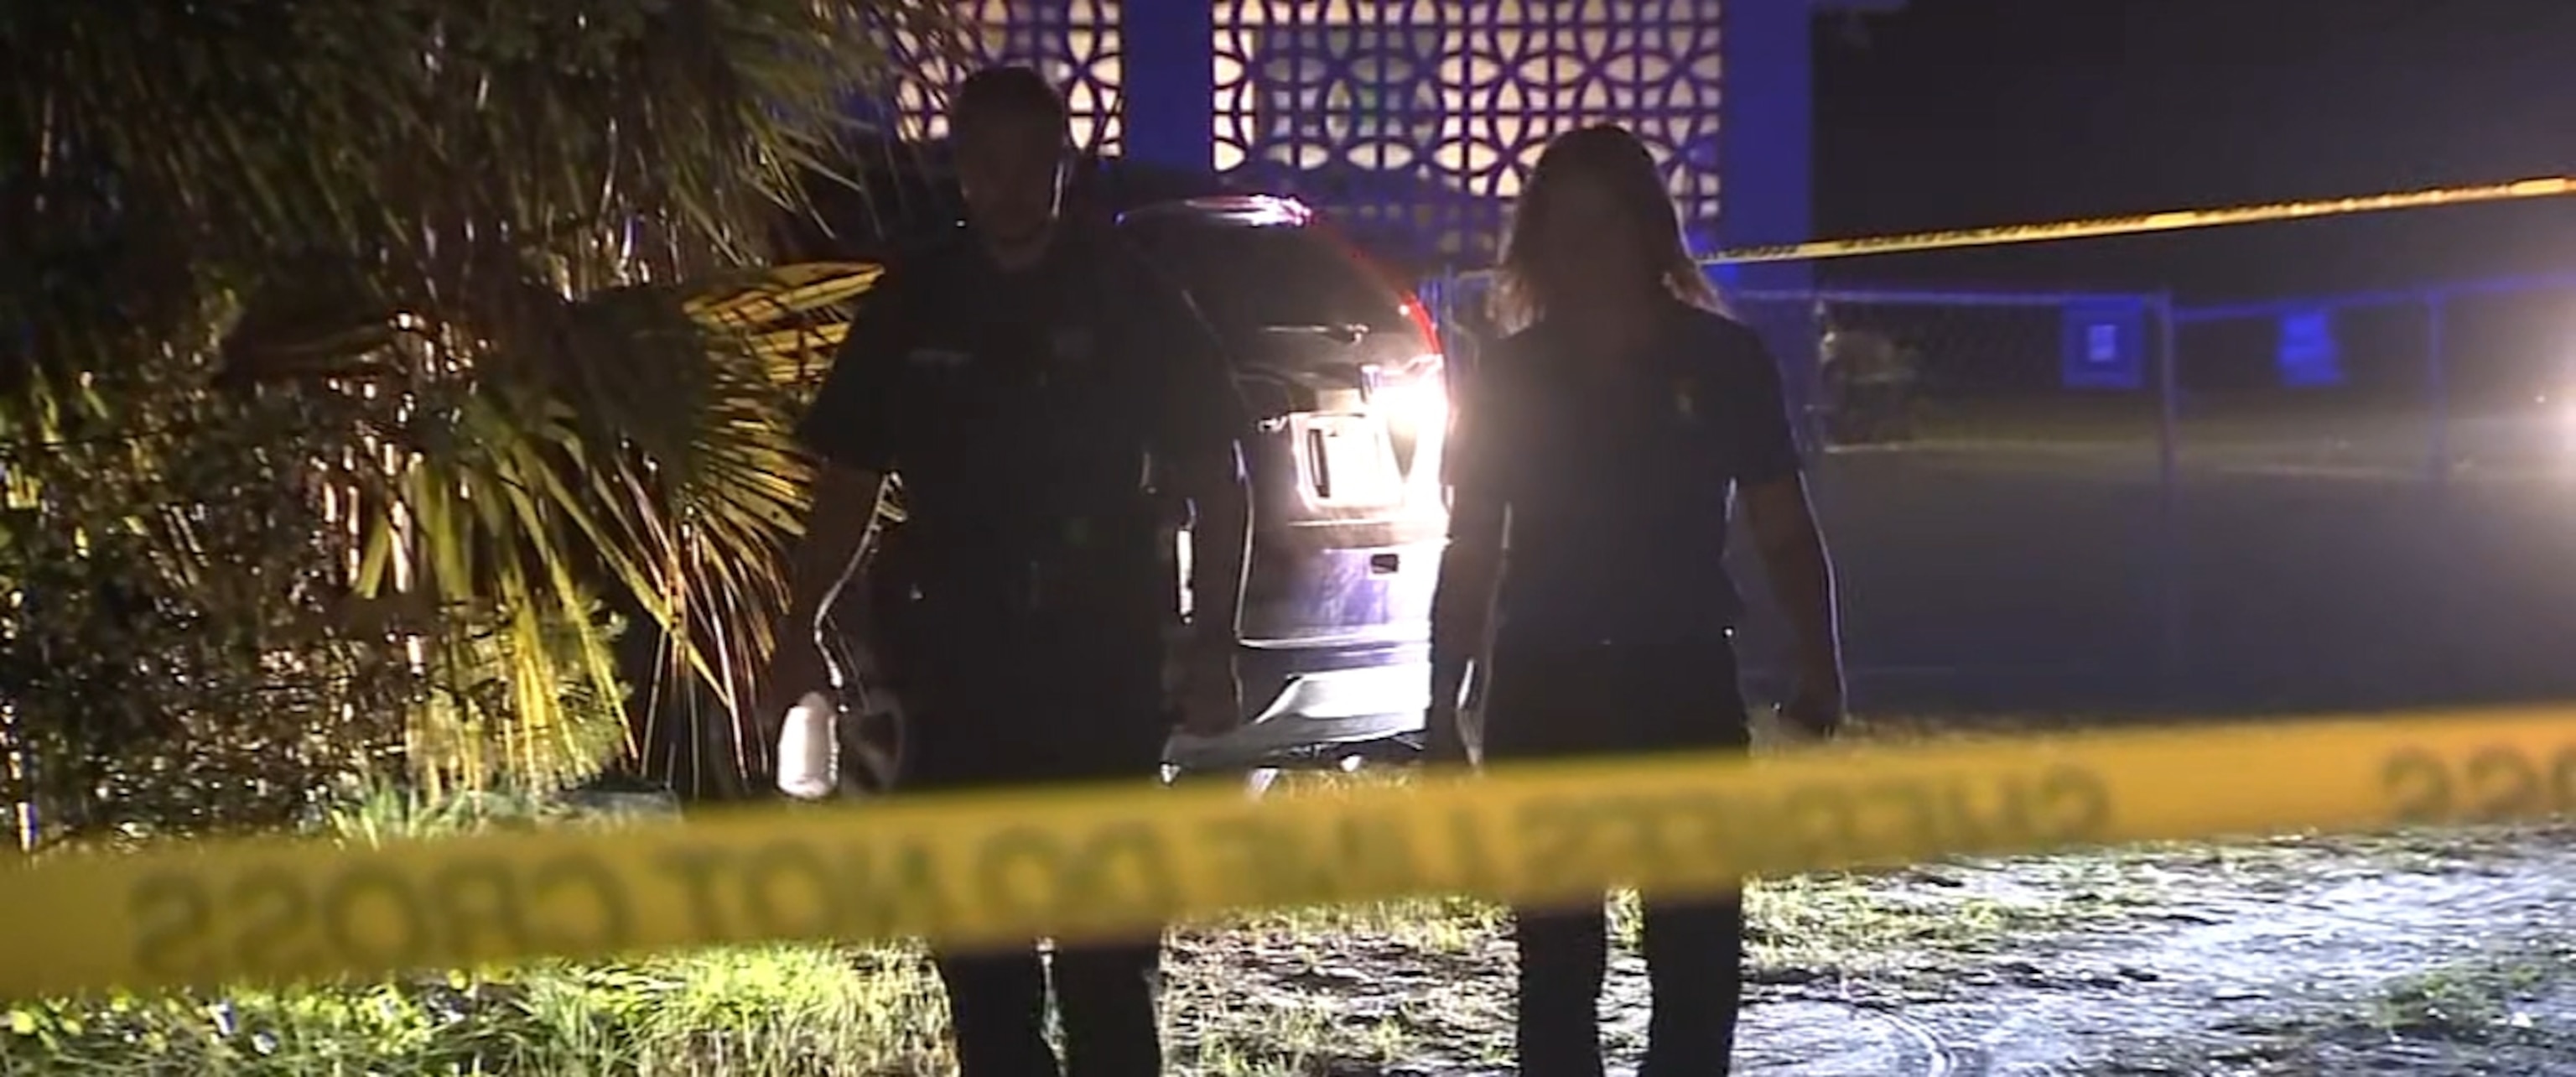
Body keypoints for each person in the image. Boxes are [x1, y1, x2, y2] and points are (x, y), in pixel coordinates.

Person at [757, 65, 1254, 1077]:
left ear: (1063, 167)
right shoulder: (919, 298)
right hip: (956, 657)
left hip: (1096, 653)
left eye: (1033, 160)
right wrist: (797, 627)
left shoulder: (1127, 292)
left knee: (1106, 955)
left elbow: (1219, 474)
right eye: (987, 161)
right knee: (979, 955)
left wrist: (1213, 638)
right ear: (961, 171)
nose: (1011, 184)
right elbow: (849, 477)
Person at [1425, 124, 1848, 1076]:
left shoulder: (1723, 362)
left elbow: (1784, 524)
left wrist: (1822, 663)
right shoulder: (1514, 373)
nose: (1583, 253)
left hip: (1678, 678)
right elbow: (1473, 544)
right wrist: (1444, 705)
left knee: (1697, 966)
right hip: (1549, 683)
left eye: (1602, 226)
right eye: (1562, 230)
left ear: (1648, 233)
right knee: (1558, 971)